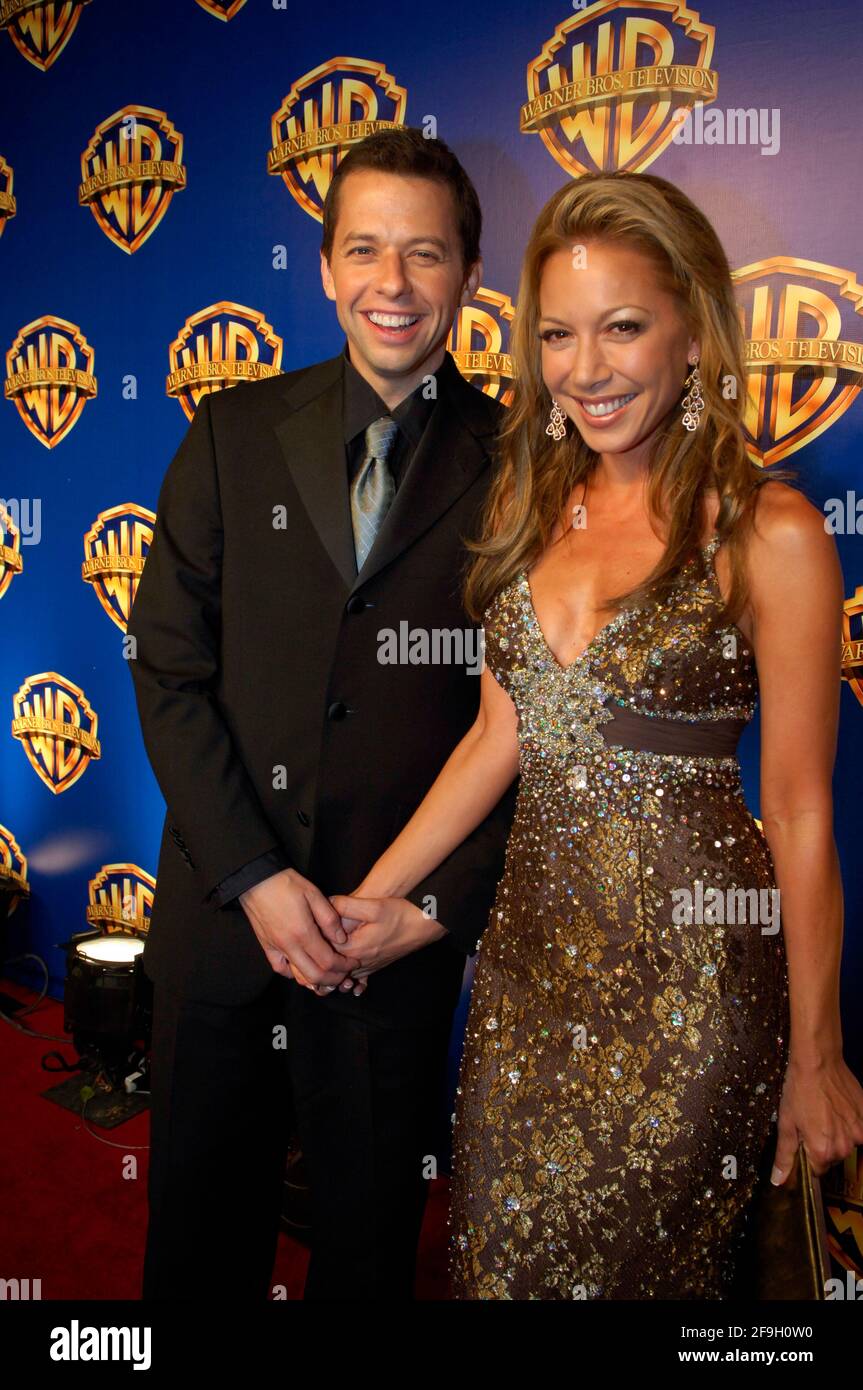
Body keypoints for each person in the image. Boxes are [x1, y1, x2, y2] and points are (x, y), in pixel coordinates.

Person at [332, 171, 863, 1299]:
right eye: (559, 335)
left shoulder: (768, 532)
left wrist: (813, 1054)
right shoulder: (530, 505)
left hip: (694, 999)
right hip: (525, 990)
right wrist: (374, 900)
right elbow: (495, 738)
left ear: (691, 332)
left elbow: (801, 809)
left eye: (623, 326)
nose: (587, 368)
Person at [126, 127, 515, 1301]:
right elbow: (166, 667)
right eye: (364, 250)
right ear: (326, 265)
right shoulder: (232, 433)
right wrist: (253, 873)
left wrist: (421, 908)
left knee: (365, 1252)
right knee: (195, 1245)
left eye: (424, 254)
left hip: (385, 951)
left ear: (467, 275)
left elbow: (530, 729)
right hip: (220, 930)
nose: (391, 285)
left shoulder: (524, 466)